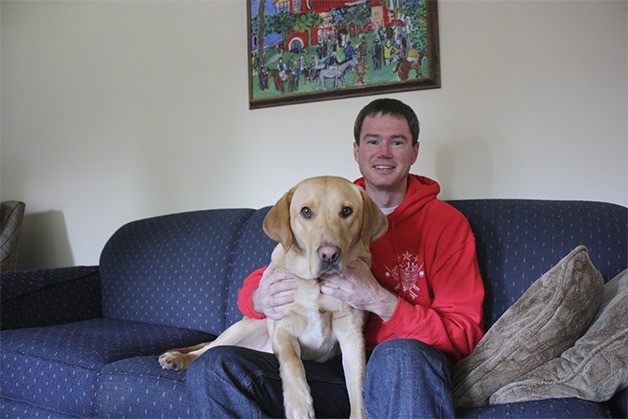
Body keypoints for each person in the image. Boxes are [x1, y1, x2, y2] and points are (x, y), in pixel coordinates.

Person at [186, 98, 485, 418]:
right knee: (215, 367)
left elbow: (465, 336)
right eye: (373, 141)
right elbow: (283, 267)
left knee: (401, 356)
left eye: (396, 142)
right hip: (330, 370)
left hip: (403, 365)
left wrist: (380, 301)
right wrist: (258, 298)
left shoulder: (446, 225)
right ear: (357, 151)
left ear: (414, 152)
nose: (383, 152)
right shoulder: (334, 201)